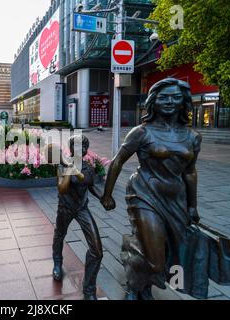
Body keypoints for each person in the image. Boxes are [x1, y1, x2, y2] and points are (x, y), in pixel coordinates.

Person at [101, 78, 206, 300]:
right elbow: (118, 161)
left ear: (184, 102)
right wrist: (107, 194)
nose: (170, 101)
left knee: (171, 251)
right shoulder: (142, 132)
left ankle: (143, 280)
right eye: (163, 97)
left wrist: (192, 206)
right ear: (153, 101)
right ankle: (133, 282)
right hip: (144, 194)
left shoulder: (193, 136)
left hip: (175, 199)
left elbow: (190, 172)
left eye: (176, 97)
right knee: (156, 259)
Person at [52, 136, 104, 301]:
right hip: (65, 209)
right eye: (76, 146)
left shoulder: (88, 167)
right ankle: (57, 263)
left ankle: (89, 289)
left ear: (86, 150)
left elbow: (90, 184)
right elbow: (62, 188)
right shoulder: (62, 165)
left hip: (82, 209)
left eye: (83, 147)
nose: (80, 150)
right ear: (71, 148)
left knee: (97, 250)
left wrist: (104, 198)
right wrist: (69, 170)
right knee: (59, 235)